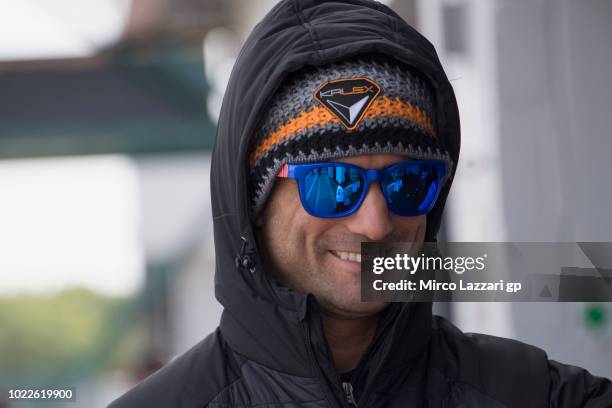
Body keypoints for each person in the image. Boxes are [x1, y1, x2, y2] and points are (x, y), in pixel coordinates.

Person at [108, 0, 612, 407]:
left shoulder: (532, 394)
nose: (374, 224)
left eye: (409, 182)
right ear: (254, 203)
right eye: (331, 183)